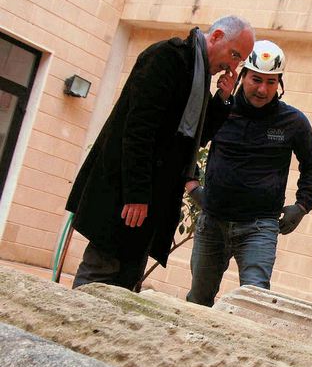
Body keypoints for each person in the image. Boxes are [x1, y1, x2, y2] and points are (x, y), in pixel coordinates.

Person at [66, 16, 255, 290]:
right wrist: (136, 194)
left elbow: (191, 140)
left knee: (126, 279)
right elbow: (138, 130)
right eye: (234, 54)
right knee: (102, 268)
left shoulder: (197, 74)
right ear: (215, 37)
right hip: (126, 194)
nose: (233, 66)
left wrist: (222, 100)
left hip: (153, 199)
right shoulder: (168, 58)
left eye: (240, 60)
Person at [185, 40, 312, 306]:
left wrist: (303, 205)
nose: (262, 89)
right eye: (256, 80)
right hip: (212, 222)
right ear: (243, 76)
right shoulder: (221, 110)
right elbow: (188, 144)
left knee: (254, 304)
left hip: (259, 228)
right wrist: (192, 185)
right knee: (198, 300)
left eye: (271, 82)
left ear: (279, 83)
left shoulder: (293, 122)